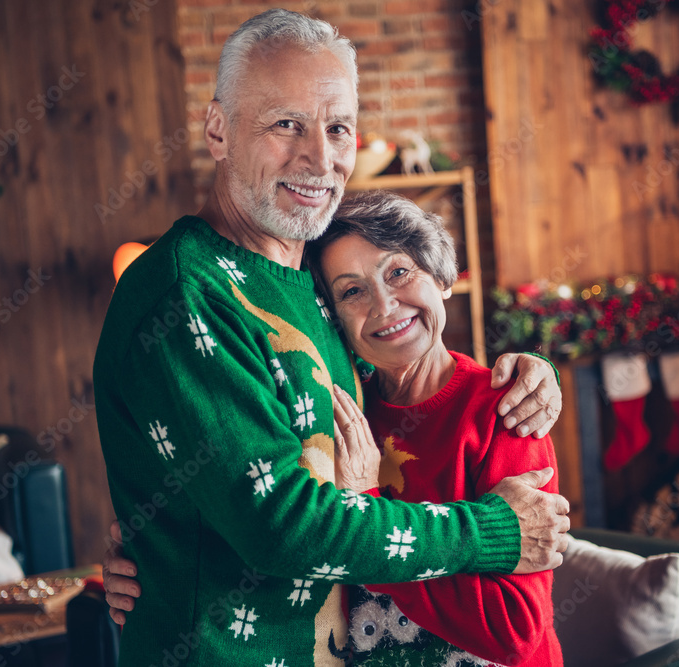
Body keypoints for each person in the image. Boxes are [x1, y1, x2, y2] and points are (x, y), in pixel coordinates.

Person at [94, 9, 568, 666]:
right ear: (218, 129)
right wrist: (493, 530)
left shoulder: (307, 278)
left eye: (338, 127)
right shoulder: (185, 292)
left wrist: (529, 371)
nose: (319, 157)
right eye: (286, 124)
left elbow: (399, 368)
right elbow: (284, 526)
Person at [107, 191, 565, 666]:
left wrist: (368, 513)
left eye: (399, 272)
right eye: (352, 291)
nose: (385, 306)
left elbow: (513, 630)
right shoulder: (341, 409)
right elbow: (260, 511)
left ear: (443, 278)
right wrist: (156, 555)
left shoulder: (508, 409)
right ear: (331, 321)